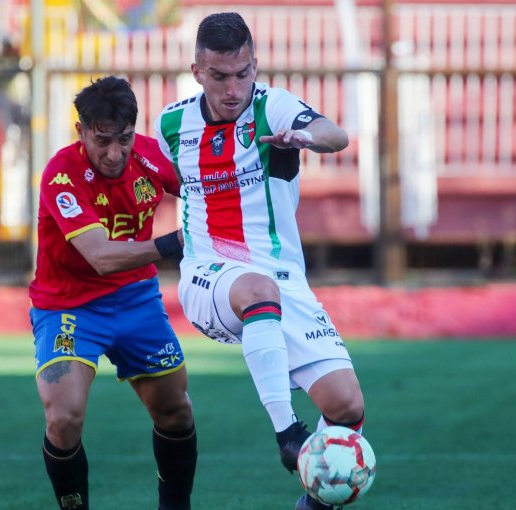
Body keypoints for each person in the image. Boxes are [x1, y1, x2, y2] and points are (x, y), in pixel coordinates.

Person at [154, 12, 365, 510]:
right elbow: (153, 182)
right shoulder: (171, 124)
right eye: (220, 76)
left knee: (348, 406)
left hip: (283, 277)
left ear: (256, 65)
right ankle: (287, 433)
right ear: (197, 71)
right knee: (256, 289)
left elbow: (337, 136)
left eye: (243, 73)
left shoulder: (275, 108)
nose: (234, 88)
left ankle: (314, 501)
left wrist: (305, 138)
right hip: (209, 277)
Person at [29, 76, 197, 510]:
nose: (115, 153)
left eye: (123, 139)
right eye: (102, 141)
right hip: (69, 306)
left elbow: (205, 193)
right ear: (82, 131)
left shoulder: (151, 156)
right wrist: (177, 241)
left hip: (136, 299)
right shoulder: (61, 175)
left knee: (175, 409)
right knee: (63, 416)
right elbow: (100, 256)